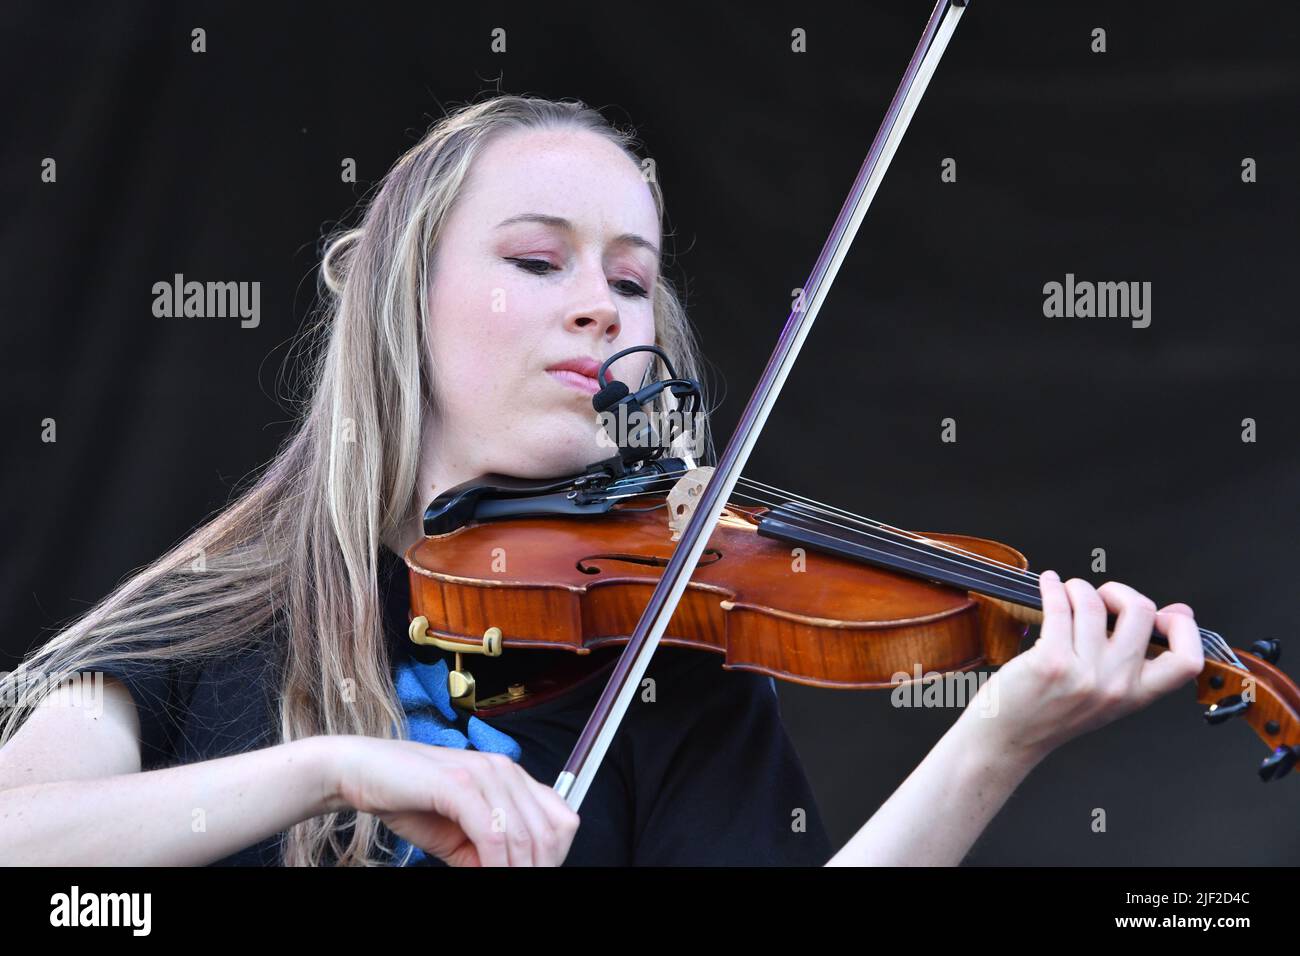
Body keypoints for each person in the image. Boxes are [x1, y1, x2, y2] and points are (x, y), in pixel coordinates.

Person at [0, 95, 1204, 867]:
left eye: (631, 281)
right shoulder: (208, 622)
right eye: (536, 257)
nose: (598, 303)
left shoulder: (667, 669)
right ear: (392, 300)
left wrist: (991, 740)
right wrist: (334, 767)